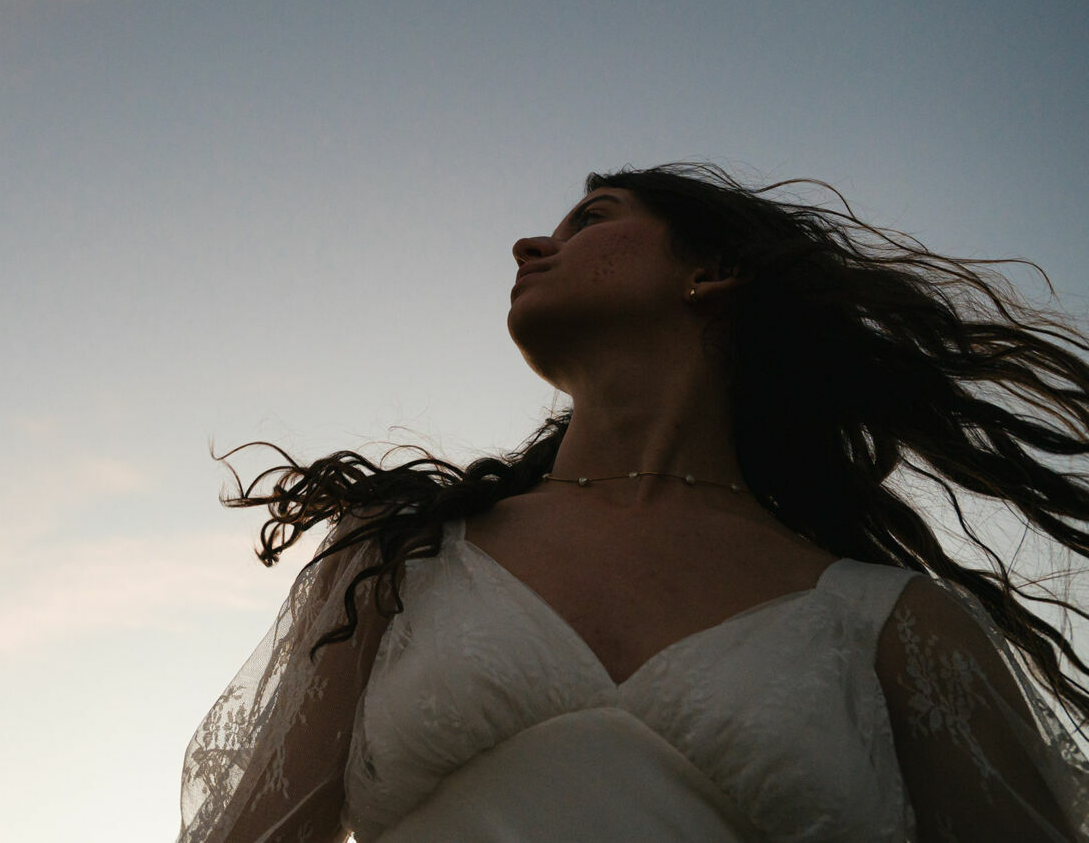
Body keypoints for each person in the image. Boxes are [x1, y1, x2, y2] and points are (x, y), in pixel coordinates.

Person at [178, 164, 1089, 842]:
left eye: (591, 220)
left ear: (714, 273)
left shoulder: (896, 624)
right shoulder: (399, 553)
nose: (532, 244)